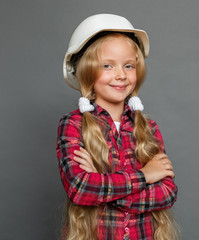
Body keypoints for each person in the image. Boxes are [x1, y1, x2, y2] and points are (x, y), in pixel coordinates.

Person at [56, 14, 179, 240]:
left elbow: (167, 194)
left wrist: (102, 185)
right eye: (107, 65)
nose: (121, 75)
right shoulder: (73, 125)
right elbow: (80, 189)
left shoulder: (148, 128)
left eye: (129, 65)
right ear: (86, 70)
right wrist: (144, 176)